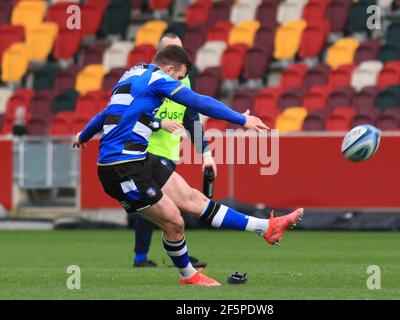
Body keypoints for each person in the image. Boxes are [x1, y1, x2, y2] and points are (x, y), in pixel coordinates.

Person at [73, 45, 303, 287]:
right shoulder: (159, 79)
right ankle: (189, 276)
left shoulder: (133, 72)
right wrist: (242, 119)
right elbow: (198, 102)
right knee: (174, 220)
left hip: (139, 158)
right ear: (170, 69)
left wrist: (84, 135)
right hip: (121, 168)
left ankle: (266, 227)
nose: (180, 83)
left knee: (193, 199)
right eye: (180, 78)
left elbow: (106, 114)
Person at [133, 33, 212, 269]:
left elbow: (192, 120)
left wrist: (205, 152)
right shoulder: (144, 78)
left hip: (169, 150)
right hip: (145, 149)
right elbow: (128, 114)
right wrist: (158, 123)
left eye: (180, 49)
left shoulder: (183, 81)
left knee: (162, 206)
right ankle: (145, 257)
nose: (179, 54)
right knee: (157, 204)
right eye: (172, 49)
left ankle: (165, 255)